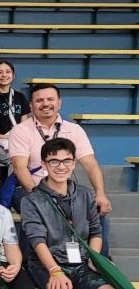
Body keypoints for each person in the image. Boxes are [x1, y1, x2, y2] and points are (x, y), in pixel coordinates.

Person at [20, 138, 134, 289]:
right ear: (44, 164)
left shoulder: (84, 194)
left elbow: (95, 229)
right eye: (54, 161)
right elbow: (36, 240)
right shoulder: (32, 199)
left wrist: (94, 258)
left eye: (66, 161)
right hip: (45, 262)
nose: (61, 166)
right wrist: (55, 271)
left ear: (74, 163)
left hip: (81, 262)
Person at [9, 83, 111, 215]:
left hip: (65, 189)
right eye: (39, 100)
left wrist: (100, 194)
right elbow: (19, 167)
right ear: (31, 105)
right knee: (41, 211)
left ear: (59, 103)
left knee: (97, 211)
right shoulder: (20, 130)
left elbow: (90, 164)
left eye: (50, 99)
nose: (45, 104)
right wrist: (41, 198)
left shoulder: (74, 130)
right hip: (33, 189)